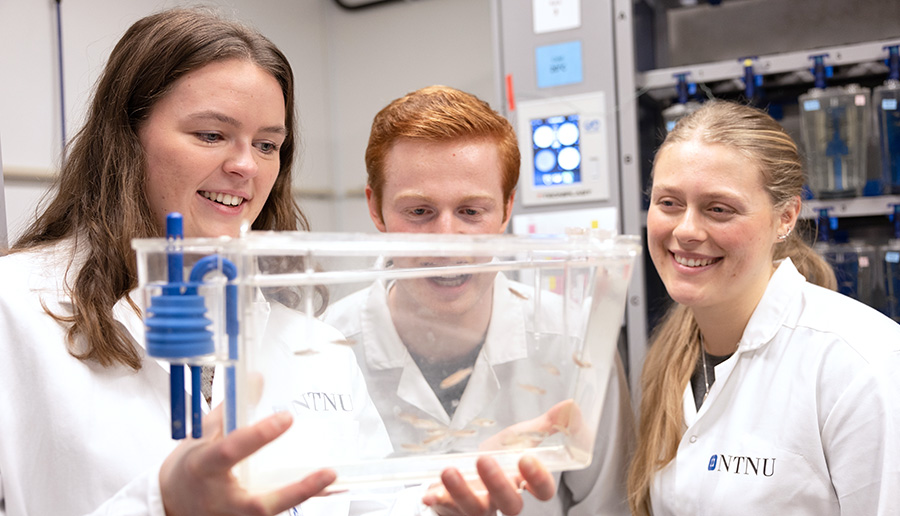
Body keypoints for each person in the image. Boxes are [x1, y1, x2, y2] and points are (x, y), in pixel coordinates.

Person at [0, 7, 371, 515]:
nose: (245, 166)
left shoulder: (316, 344)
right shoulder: (13, 308)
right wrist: (162, 504)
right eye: (211, 135)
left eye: (267, 144)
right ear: (126, 137)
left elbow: (374, 500)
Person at [323, 85, 634, 516]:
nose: (446, 244)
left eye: (471, 212)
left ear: (507, 209)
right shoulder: (324, 348)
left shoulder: (573, 338)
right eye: (419, 212)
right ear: (375, 209)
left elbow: (609, 508)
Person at [627, 100, 900, 515]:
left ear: (786, 217)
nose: (685, 230)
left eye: (719, 209)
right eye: (668, 202)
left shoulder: (860, 363)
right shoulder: (668, 360)